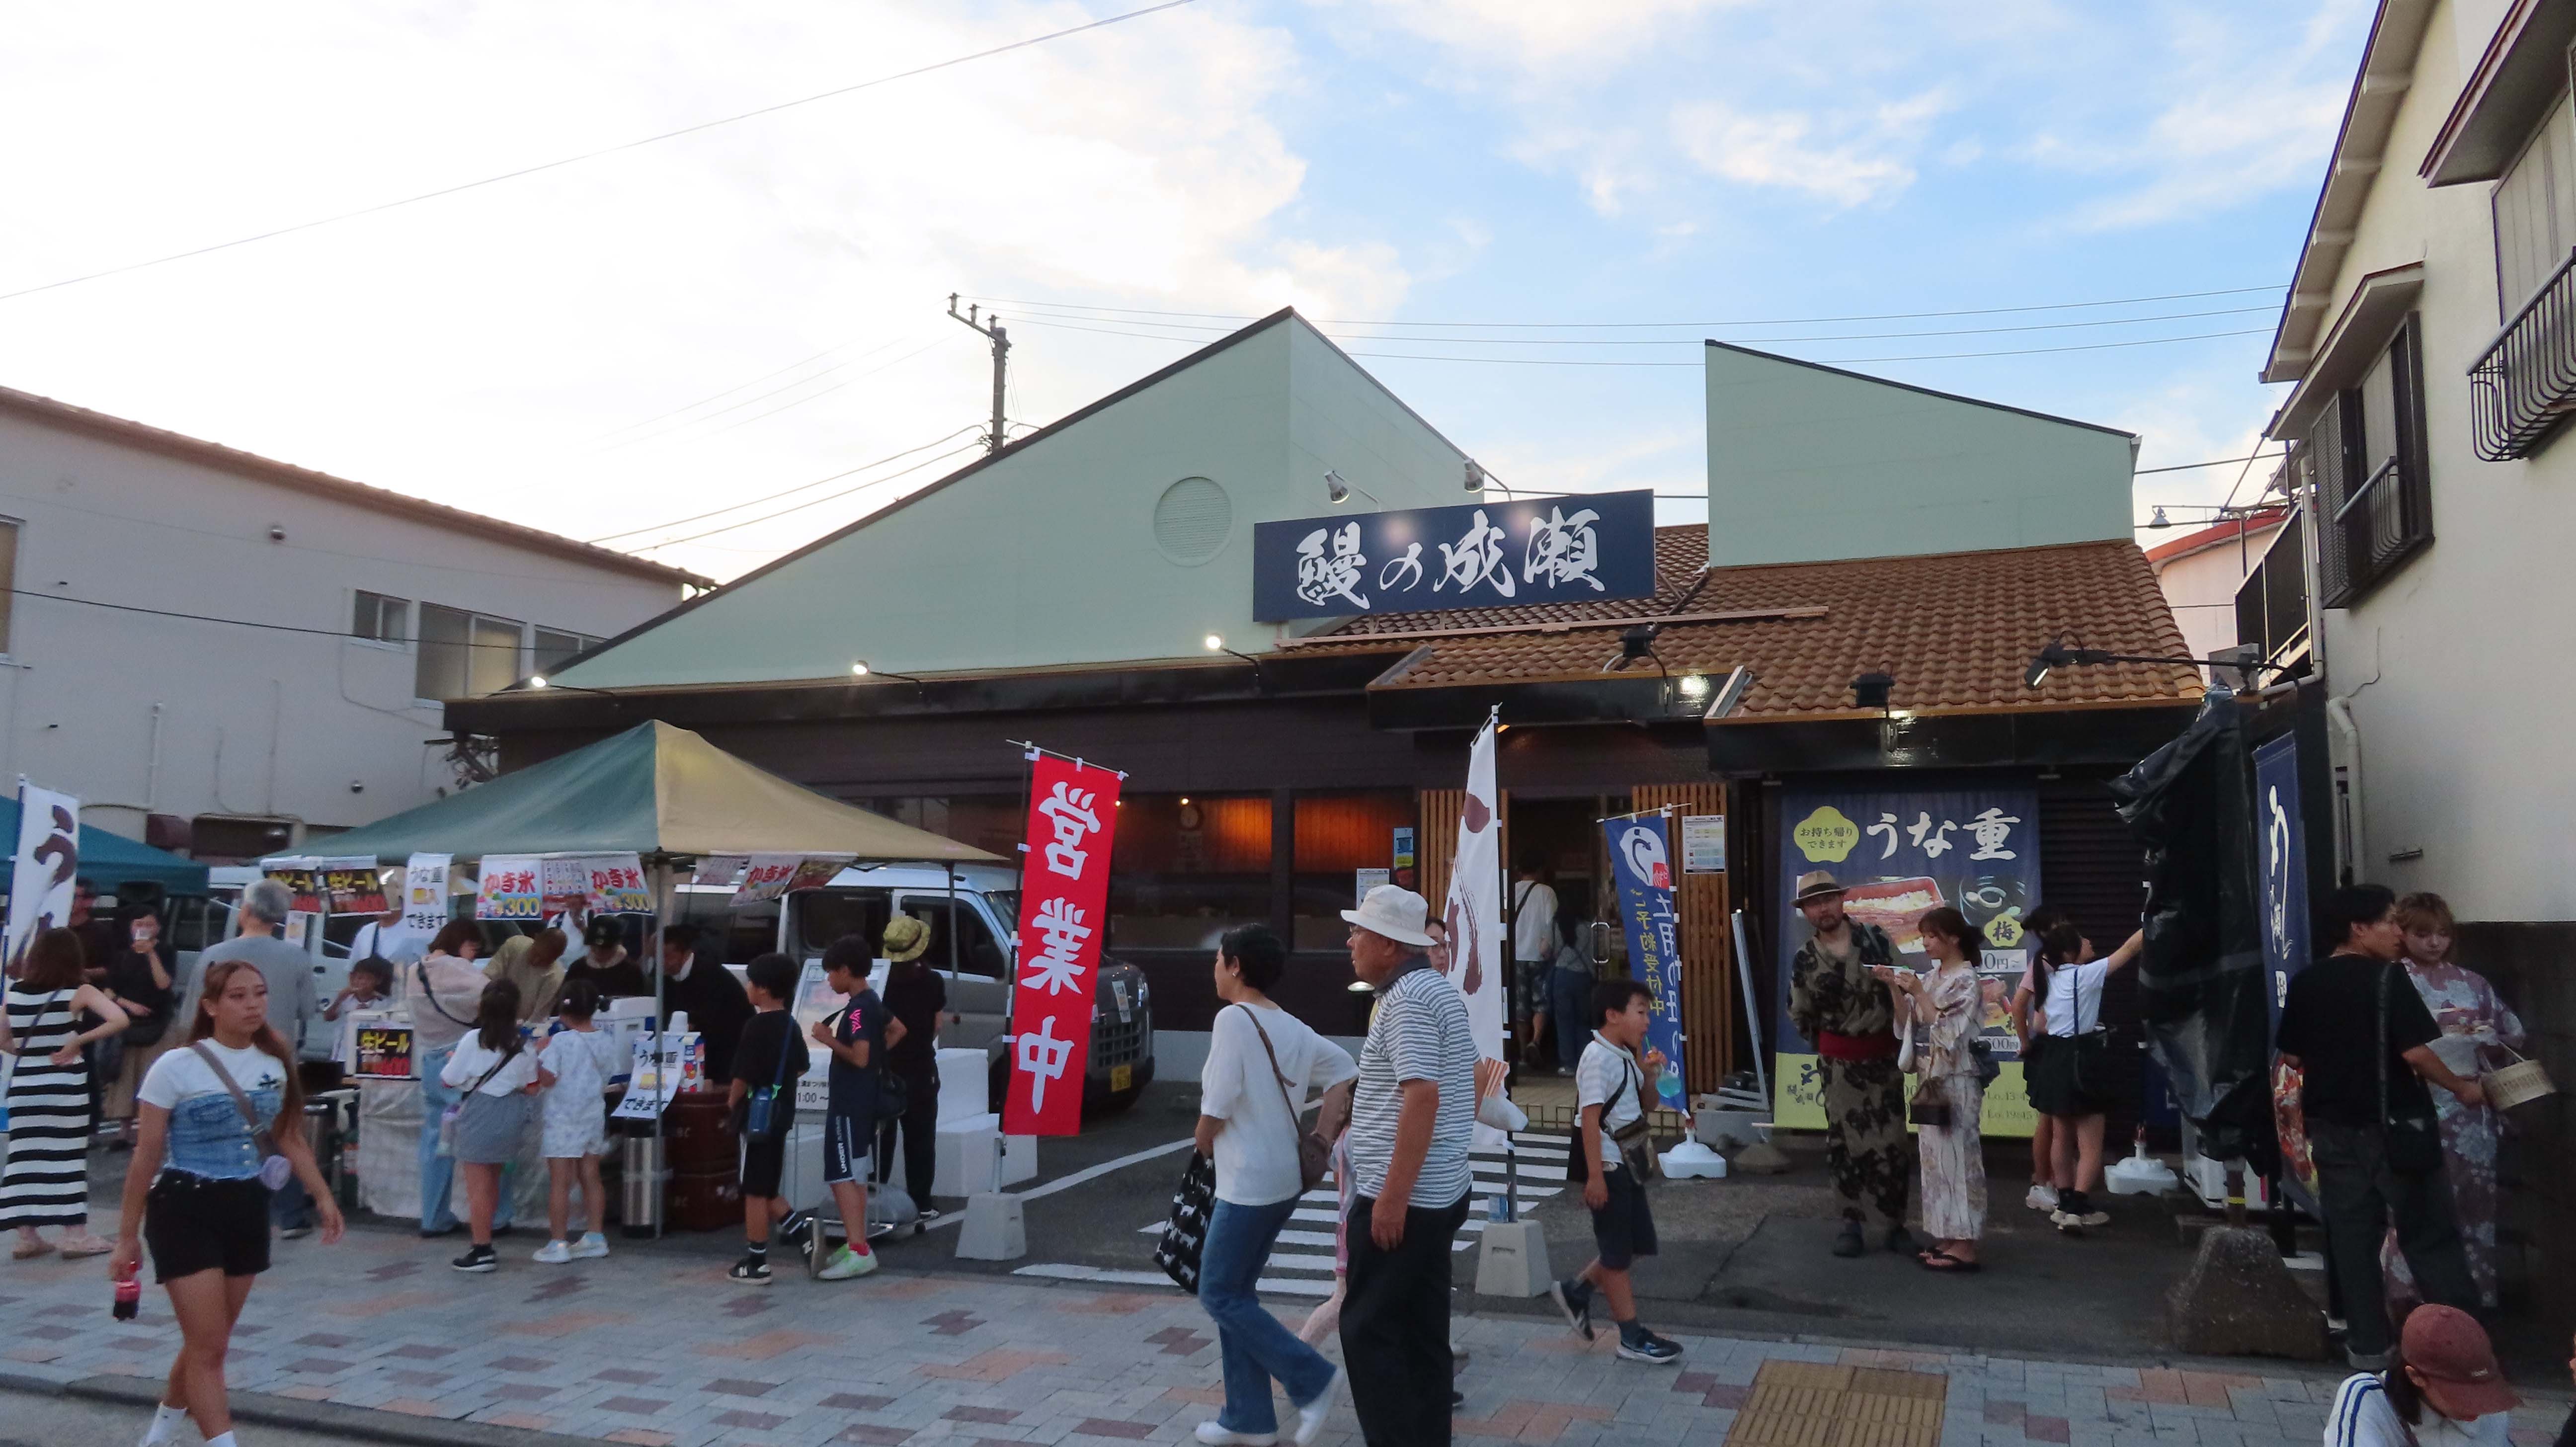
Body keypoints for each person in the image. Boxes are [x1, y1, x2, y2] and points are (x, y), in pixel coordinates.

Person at [113, 959, 343, 1447]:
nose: (253, 1004)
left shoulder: (274, 1061)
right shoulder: (176, 1065)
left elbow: (289, 1135)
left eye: (259, 993)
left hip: (246, 1206)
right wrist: (125, 1235)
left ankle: (159, 1434)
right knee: (209, 1345)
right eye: (238, 996)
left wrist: (323, 1194)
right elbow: (145, 1154)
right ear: (211, 1006)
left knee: (209, 1342)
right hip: (184, 1205)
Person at [2277, 883, 2484, 1369]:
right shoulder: (2389, 980)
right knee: (2430, 1238)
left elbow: (2292, 1056)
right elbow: (2416, 1053)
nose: (2398, 932)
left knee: (2353, 1241)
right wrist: (2462, 1087)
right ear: (2359, 928)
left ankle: (2369, 1349)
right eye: (2389, 922)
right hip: (2397, 1129)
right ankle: (2461, 1353)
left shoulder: (2307, 981)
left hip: (2332, 1128)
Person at [1191, 924, 1356, 1446]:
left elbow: (1218, 1104)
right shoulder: (1289, 1024)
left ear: (1236, 965)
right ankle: (1248, 1418)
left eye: (1219, 959)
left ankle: (1311, 1377)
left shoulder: (1232, 1019)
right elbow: (1345, 1068)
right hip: (1283, 1179)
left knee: (1218, 1291)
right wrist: (1322, 1136)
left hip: (1247, 1183)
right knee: (1237, 1294)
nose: (1215, 968)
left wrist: (1201, 1140)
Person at [1335, 885, 1473, 1447]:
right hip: (1438, 1190)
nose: (1350, 942)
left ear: (1390, 945)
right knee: (1421, 1331)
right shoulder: (1432, 988)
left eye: (1359, 932)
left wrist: (1391, 1198)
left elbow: (1422, 1097)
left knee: (1369, 1330)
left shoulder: (1409, 999)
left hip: (1407, 1199)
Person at [2381, 891, 2525, 1312]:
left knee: (2474, 1202)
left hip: (2469, 1106)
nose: (2434, 943)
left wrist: (2483, 1039)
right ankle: (2409, 1298)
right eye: (2423, 934)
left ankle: (2472, 1296)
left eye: (2442, 934)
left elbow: (2512, 1033)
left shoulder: (2473, 982)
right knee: (2415, 1205)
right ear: (2402, 933)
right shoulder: (2391, 980)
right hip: (2416, 1102)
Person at [1550, 977, 1685, 1363]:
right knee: (1617, 1254)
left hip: (1630, 1164)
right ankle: (1630, 1336)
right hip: (1610, 1166)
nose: (1647, 1021)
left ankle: (1577, 1291)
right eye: (1640, 1012)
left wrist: (1651, 1073)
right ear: (1613, 1015)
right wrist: (1595, 1176)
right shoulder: (1597, 1058)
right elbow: (1589, 1120)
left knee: (1634, 1244)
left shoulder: (1624, 1054)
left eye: (1648, 1013)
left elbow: (1647, 1106)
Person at [1785, 870, 1912, 1258]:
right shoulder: (1805, 959)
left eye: (1828, 899)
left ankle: (1894, 1223)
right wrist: (1831, 1045)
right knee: (1844, 1142)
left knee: (1893, 1141)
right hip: (1839, 1064)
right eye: (1813, 904)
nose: (1822, 909)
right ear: (1806, 912)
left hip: (1883, 1058)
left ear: (1842, 901)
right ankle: (1851, 1223)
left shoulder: (1876, 939)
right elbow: (1799, 1013)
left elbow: (1905, 986)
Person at [0, 927, 130, 1257]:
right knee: (67, 1157)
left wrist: (30, 1053)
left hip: (25, 1085)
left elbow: (2, 1038)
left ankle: (27, 1236)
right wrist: (77, 1041)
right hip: (64, 1084)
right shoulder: (79, 991)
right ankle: (75, 1234)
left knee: (24, 1157)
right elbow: (119, 1019)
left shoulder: (15, 992)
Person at [1876, 907, 1986, 1271]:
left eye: (1932, 936)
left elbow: (1950, 1032)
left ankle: (1965, 1244)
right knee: (1935, 1162)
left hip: (1957, 1078)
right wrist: (1894, 988)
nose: (1925, 942)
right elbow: (1908, 1022)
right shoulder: (1933, 976)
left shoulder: (1966, 979)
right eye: (1924, 936)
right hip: (1931, 1076)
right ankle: (1948, 1235)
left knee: (1959, 1159)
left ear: (1954, 938)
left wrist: (1920, 993)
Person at [2022, 914, 2145, 1236]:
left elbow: (2040, 1026)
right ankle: (2077, 1208)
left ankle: (2064, 1204)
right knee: (2091, 1143)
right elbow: (2131, 948)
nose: (2090, 942)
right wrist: (2155, 919)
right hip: (2082, 1059)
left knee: (2061, 1136)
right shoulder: (2086, 975)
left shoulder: (2049, 980)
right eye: (2082, 940)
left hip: (2054, 1060)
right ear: (2069, 952)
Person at [806, 935, 898, 1281]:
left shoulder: (858, 1008)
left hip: (849, 1103)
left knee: (841, 1175)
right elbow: (898, 1030)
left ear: (846, 970)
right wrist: (877, 1058)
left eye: (832, 973)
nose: (830, 980)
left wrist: (829, 1040)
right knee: (856, 1174)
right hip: (864, 1102)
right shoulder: (872, 1001)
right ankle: (858, 1244)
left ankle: (859, 1249)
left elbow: (859, 1058)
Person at [407, 919, 498, 1239]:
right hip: (463, 1061)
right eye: (474, 947)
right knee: (484, 1142)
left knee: (436, 1141)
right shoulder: (459, 969)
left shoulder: (414, 970)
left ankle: (433, 1217)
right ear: (463, 942)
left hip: (431, 1062)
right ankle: (495, 1218)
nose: (474, 955)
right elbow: (495, 996)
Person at [441, 980, 539, 1274]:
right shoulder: (524, 1046)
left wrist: (453, 1061)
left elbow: (449, 1080)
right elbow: (532, 1088)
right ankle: (488, 1237)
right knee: (493, 1181)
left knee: (477, 1188)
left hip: (480, 1113)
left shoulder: (473, 1040)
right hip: (511, 1114)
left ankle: (482, 1249)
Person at [726, 953, 812, 1285]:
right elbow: (801, 1066)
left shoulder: (756, 1026)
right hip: (781, 1114)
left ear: (762, 989)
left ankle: (757, 1261)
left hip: (756, 1117)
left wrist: (732, 1102)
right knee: (767, 1184)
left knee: (754, 1190)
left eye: (751, 982)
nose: (748, 987)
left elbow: (742, 1075)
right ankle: (803, 1234)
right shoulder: (790, 1025)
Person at [2324, 1303, 2517, 1447]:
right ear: (2415, 1376)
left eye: (2483, 1389)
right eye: (2461, 1392)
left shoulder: (2492, 1412)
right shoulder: (2367, 1398)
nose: (2477, 1405)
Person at [532, 980, 617, 1265]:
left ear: (564, 1010)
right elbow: (609, 1075)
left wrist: (538, 1055)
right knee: (591, 1176)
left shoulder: (559, 1042)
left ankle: (558, 1242)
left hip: (562, 1118)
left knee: (561, 1181)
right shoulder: (605, 1040)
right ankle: (595, 1236)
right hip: (592, 1115)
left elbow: (548, 1079)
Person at [877, 915, 946, 1221]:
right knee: (920, 1139)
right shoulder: (933, 981)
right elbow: (937, 1025)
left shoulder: (878, 983)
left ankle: (876, 1201)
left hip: (885, 1071)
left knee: (881, 1139)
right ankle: (922, 1202)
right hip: (921, 1069)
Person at [100, 909, 178, 1151]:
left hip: (158, 1022)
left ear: (158, 929)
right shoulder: (122, 955)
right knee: (124, 1078)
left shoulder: (166, 952)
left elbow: (164, 983)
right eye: (138, 923)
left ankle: (148, 1132)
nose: (143, 928)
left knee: (152, 1077)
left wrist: (151, 953)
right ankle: (124, 1131)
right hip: (127, 1023)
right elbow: (109, 991)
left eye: (149, 924)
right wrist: (127, 1004)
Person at [2006, 909, 2062, 1218]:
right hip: (2049, 1047)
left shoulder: (2061, 961)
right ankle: (2043, 1181)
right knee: (2049, 1118)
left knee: (2056, 1118)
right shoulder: (2044, 963)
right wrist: (2025, 1042)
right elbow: (2018, 1005)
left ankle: (2053, 1181)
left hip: (2059, 1045)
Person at [660, 924, 752, 1083]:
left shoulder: (712, 976)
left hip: (727, 1052)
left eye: (668, 956)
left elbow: (709, 1020)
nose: (663, 962)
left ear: (686, 953)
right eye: (658, 956)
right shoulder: (664, 978)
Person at [1510, 854, 1558, 1067]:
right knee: (1541, 1002)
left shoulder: (1510, 891)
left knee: (1520, 1005)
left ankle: (1522, 1053)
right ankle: (1535, 1041)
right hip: (1539, 956)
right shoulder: (1547, 892)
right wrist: (1549, 949)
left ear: (1520, 871)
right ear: (1540, 870)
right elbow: (1551, 923)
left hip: (1515, 955)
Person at [1547, 911, 1596, 1076]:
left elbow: (1548, 950)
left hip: (1562, 976)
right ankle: (1585, 1063)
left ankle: (1568, 1064)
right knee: (1583, 1021)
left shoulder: (1557, 925)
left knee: (1564, 1022)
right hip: (1584, 976)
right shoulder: (1589, 927)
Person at [486, 929, 568, 1024]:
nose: (536, 961)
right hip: (491, 1013)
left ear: (558, 957)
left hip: (520, 1025)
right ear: (535, 938)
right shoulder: (514, 945)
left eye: (545, 960)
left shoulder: (555, 978)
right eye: (536, 953)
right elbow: (488, 978)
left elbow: (538, 1017)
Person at [561, 918, 647, 1001]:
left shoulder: (631, 971)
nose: (598, 951)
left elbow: (638, 1003)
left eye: (605, 948)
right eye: (594, 947)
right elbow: (563, 1000)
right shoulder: (578, 968)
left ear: (617, 944)